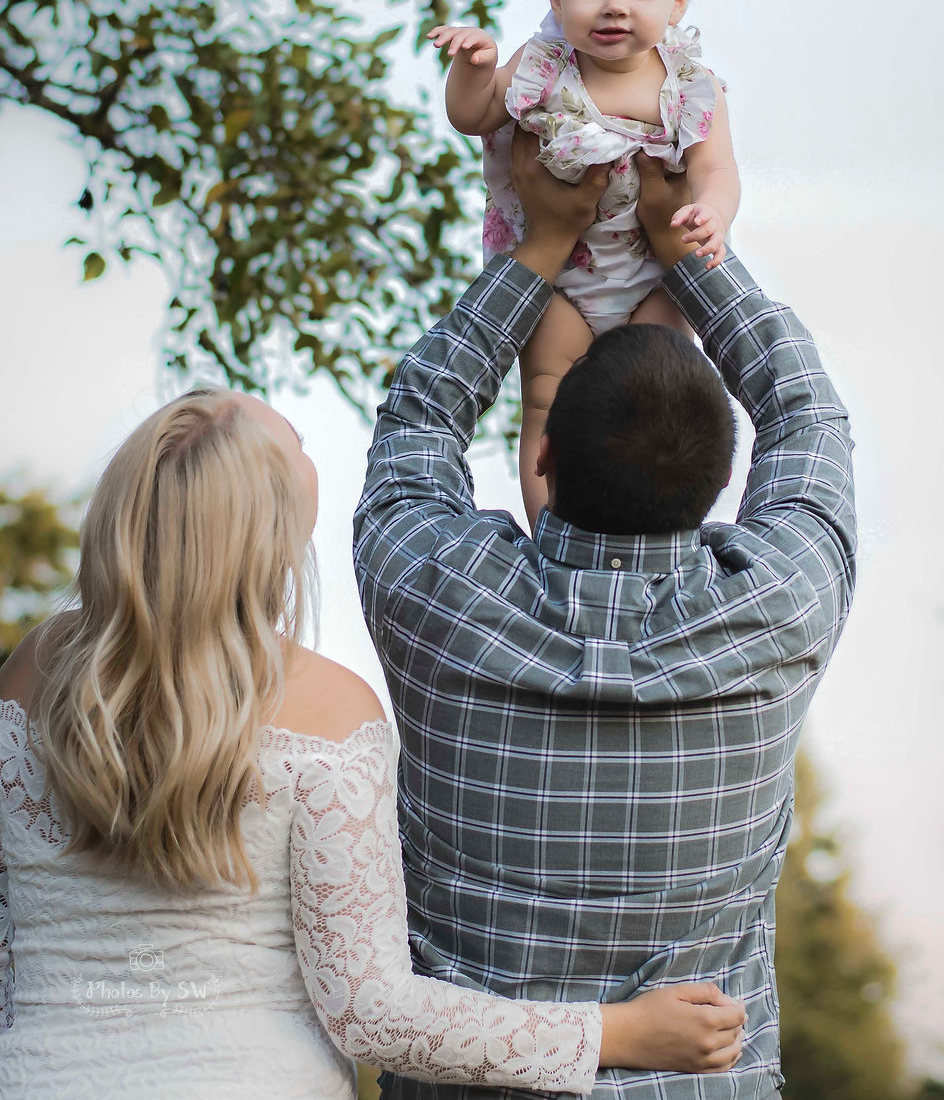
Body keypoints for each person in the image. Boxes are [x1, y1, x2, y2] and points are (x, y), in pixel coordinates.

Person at [0, 390, 745, 1099]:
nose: (306, 443)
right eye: (296, 442)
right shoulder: (327, 710)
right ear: (274, 531)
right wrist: (615, 1031)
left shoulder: (30, 672)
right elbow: (370, 1012)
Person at [354, 130, 856, 1100]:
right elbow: (806, 414)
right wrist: (688, 250)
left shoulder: (438, 594)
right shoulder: (780, 604)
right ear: (722, 483)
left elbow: (418, 419)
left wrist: (540, 246)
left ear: (541, 460)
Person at [429, 0, 740, 524]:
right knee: (545, 403)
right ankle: (549, 530)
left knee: (657, 406)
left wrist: (713, 212)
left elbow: (716, 169)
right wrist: (473, 68)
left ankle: (650, 522)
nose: (615, 5)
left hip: (654, 277)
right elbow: (474, 115)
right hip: (559, 281)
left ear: (678, 1)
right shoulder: (543, 65)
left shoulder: (690, 87)